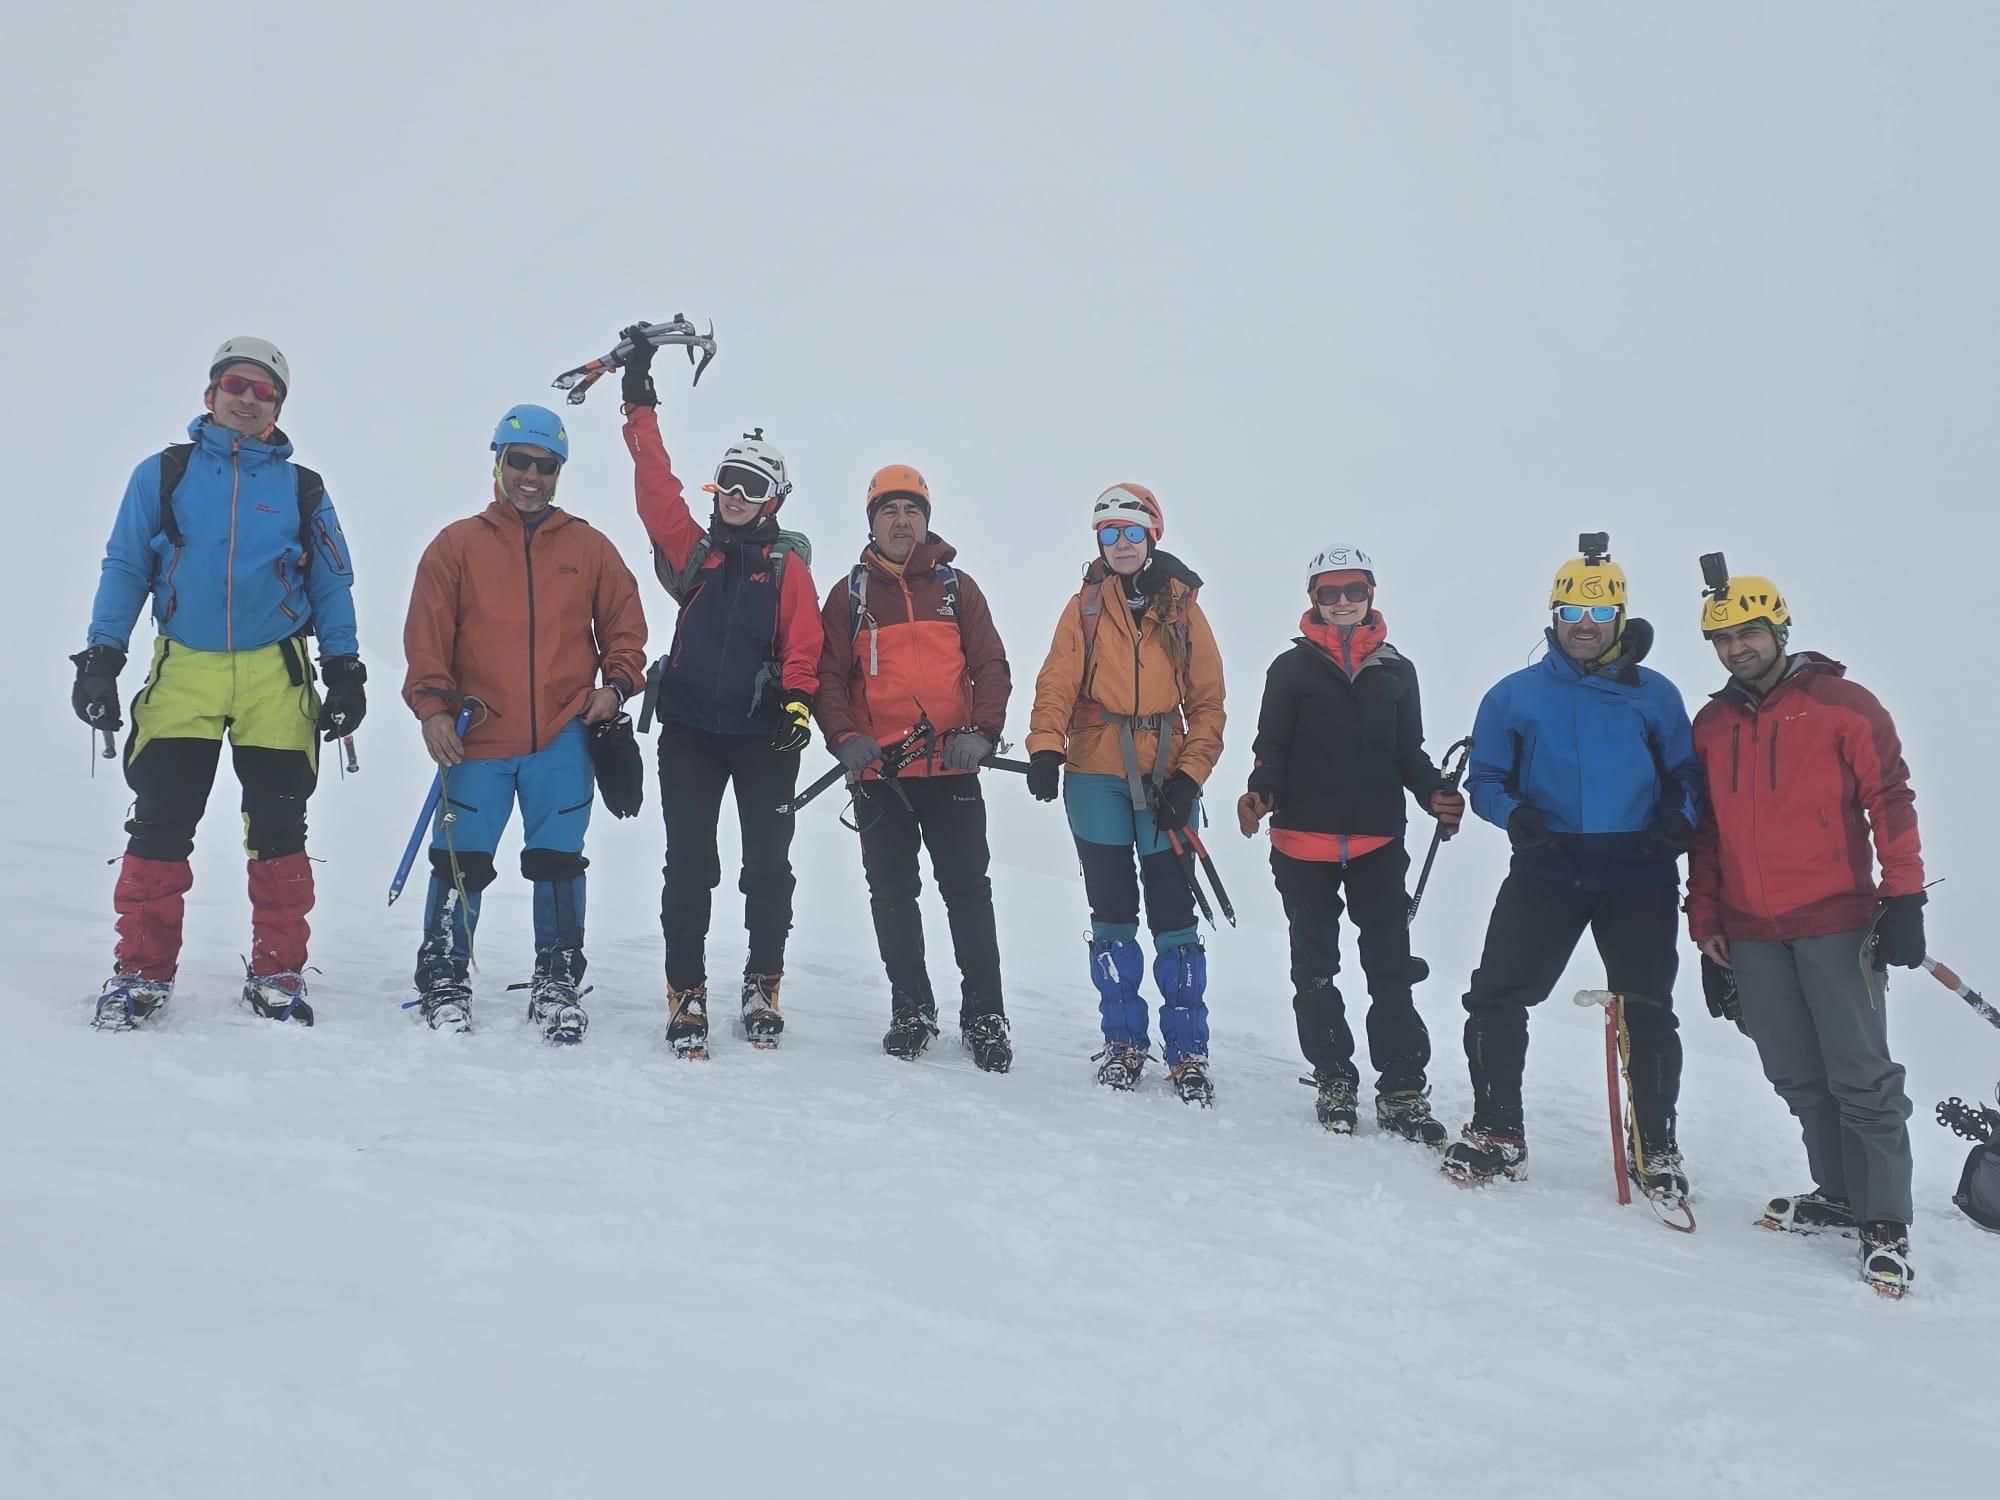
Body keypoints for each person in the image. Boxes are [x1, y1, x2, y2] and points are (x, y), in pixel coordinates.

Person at [74, 337, 363, 1030]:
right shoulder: (164, 474)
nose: (248, 399)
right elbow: (125, 565)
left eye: (265, 391)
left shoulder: (302, 489)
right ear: (211, 394)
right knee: (161, 819)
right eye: (236, 384)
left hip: (275, 675)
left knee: (279, 825)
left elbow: (331, 582)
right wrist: (102, 657)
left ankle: (278, 971)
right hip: (187, 670)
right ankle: (140, 972)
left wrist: (344, 668)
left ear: (278, 408)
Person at [1686, 569, 1924, 1296]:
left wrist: (1904, 896)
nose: (1736, 648)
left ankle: (1884, 1219)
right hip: (1751, 930)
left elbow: (1890, 798)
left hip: (1835, 921)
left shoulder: (1843, 705)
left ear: (1778, 631)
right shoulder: (1711, 725)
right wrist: (1705, 919)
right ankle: (1840, 1195)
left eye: (1748, 633)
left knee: (1860, 1074)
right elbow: (1705, 830)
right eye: (1722, 638)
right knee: (1795, 1072)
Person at [1444, 537, 1702, 1199]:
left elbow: (1687, 777)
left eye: (1600, 612)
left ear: (1620, 616)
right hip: (1548, 865)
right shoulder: (1514, 696)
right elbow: (1487, 779)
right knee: (1496, 995)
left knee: (1647, 1006)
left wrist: (1677, 822)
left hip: (1638, 869)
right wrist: (1516, 817)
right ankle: (1498, 1132)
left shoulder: (1655, 695)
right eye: (1572, 612)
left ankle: (1656, 1147)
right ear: (1554, 615)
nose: (1585, 625)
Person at [401, 405, 647, 1041]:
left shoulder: (589, 548)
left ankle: (557, 977)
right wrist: (432, 710)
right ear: (499, 462)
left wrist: (615, 687)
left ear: (559, 472)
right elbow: (427, 639)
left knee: (558, 860)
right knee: (460, 860)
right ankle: (445, 974)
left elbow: (625, 628)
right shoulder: (457, 545)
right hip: (476, 734)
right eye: (520, 462)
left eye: (546, 466)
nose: (532, 476)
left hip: (561, 736)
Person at [619, 326, 824, 1057]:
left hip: (763, 736)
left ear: (775, 498)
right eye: (728, 481)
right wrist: (638, 399)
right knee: (690, 866)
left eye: (752, 487)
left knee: (767, 866)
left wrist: (798, 702)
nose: (736, 496)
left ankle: (763, 984)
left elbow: (804, 642)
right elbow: (655, 487)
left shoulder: (786, 566)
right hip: (690, 732)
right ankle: (687, 991)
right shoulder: (694, 550)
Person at [1237, 544, 1464, 1142]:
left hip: (1376, 841)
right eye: (1330, 592)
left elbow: (1408, 752)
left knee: (1390, 969)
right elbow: (1271, 747)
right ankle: (1334, 1076)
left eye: (1354, 590)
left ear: (1371, 594)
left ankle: (1402, 1089)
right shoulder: (1290, 669)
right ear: (1313, 598)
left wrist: (1435, 793)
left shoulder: (1397, 671)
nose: (1342, 601)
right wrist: (1260, 793)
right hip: (1300, 841)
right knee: (1315, 968)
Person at [1025, 485, 1226, 1103]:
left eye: (1132, 532)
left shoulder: (1182, 609)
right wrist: (1045, 746)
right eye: (1109, 533)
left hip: (1168, 776)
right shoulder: (1084, 608)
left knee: (1173, 914)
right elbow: (1057, 682)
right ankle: (1123, 1042)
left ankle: (1188, 1051)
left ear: (1152, 536)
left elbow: (1208, 703)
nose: (1120, 544)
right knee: (1111, 912)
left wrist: (1190, 777)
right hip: (1093, 772)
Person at [815, 465, 1014, 1070]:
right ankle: (912, 1009)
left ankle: (985, 1015)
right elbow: (827, 677)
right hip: (880, 779)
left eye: (912, 511)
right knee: (892, 895)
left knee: (968, 893)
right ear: (872, 522)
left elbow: (991, 665)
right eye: (889, 510)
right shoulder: (849, 595)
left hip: (952, 771)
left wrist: (982, 734)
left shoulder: (958, 588)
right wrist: (844, 738)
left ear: (926, 520)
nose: (901, 521)